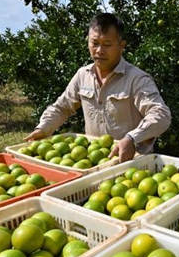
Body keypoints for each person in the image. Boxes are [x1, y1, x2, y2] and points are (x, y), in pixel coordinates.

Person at [25, 13, 171, 162]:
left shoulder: (137, 79)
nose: (99, 50)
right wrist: (43, 129)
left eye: (107, 45)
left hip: (132, 163)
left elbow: (161, 114)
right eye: (94, 43)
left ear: (122, 46)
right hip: (92, 161)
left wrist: (132, 138)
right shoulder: (83, 75)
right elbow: (62, 107)